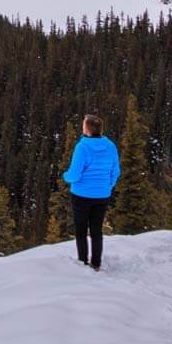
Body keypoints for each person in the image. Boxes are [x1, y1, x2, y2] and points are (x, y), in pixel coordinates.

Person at [62, 111, 120, 271]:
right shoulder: (110, 146)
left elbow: (74, 174)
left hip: (81, 195)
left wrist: (65, 176)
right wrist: (107, 185)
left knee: (81, 229)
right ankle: (96, 263)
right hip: (102, 195)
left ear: (87, 130)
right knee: (96, 229)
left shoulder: (82, 147)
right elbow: (115, 171)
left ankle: (82, 261)